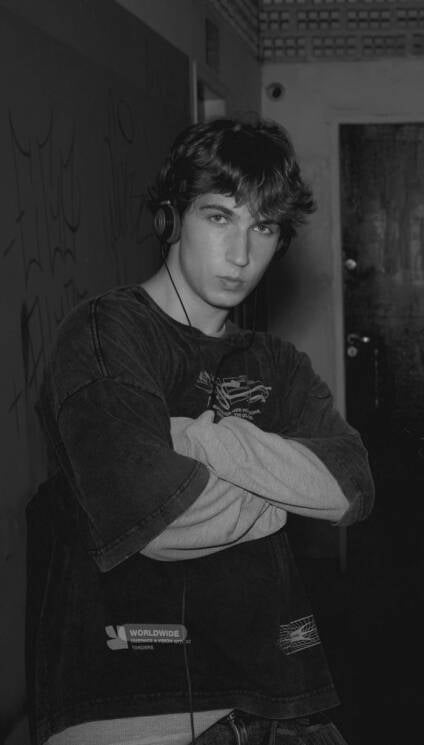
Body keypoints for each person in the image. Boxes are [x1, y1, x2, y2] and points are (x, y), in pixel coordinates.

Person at [26, 117, 374, 745]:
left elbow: (351, 488)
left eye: (263, 227)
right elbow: (158, 520)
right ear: (172, 218)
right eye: (219, 217)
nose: (241, 254)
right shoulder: (106, 334)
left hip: (281, 697)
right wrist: (285, 487)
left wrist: (207, 441)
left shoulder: (278, 363)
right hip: (134, 705)